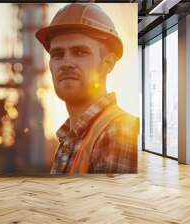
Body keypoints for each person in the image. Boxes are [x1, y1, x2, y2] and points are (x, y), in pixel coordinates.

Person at [35, 3, 140, 174]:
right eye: (57, 54)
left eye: (80, 52)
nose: (66, 63)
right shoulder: (68, 139)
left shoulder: (117, 131)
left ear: (108, 64)